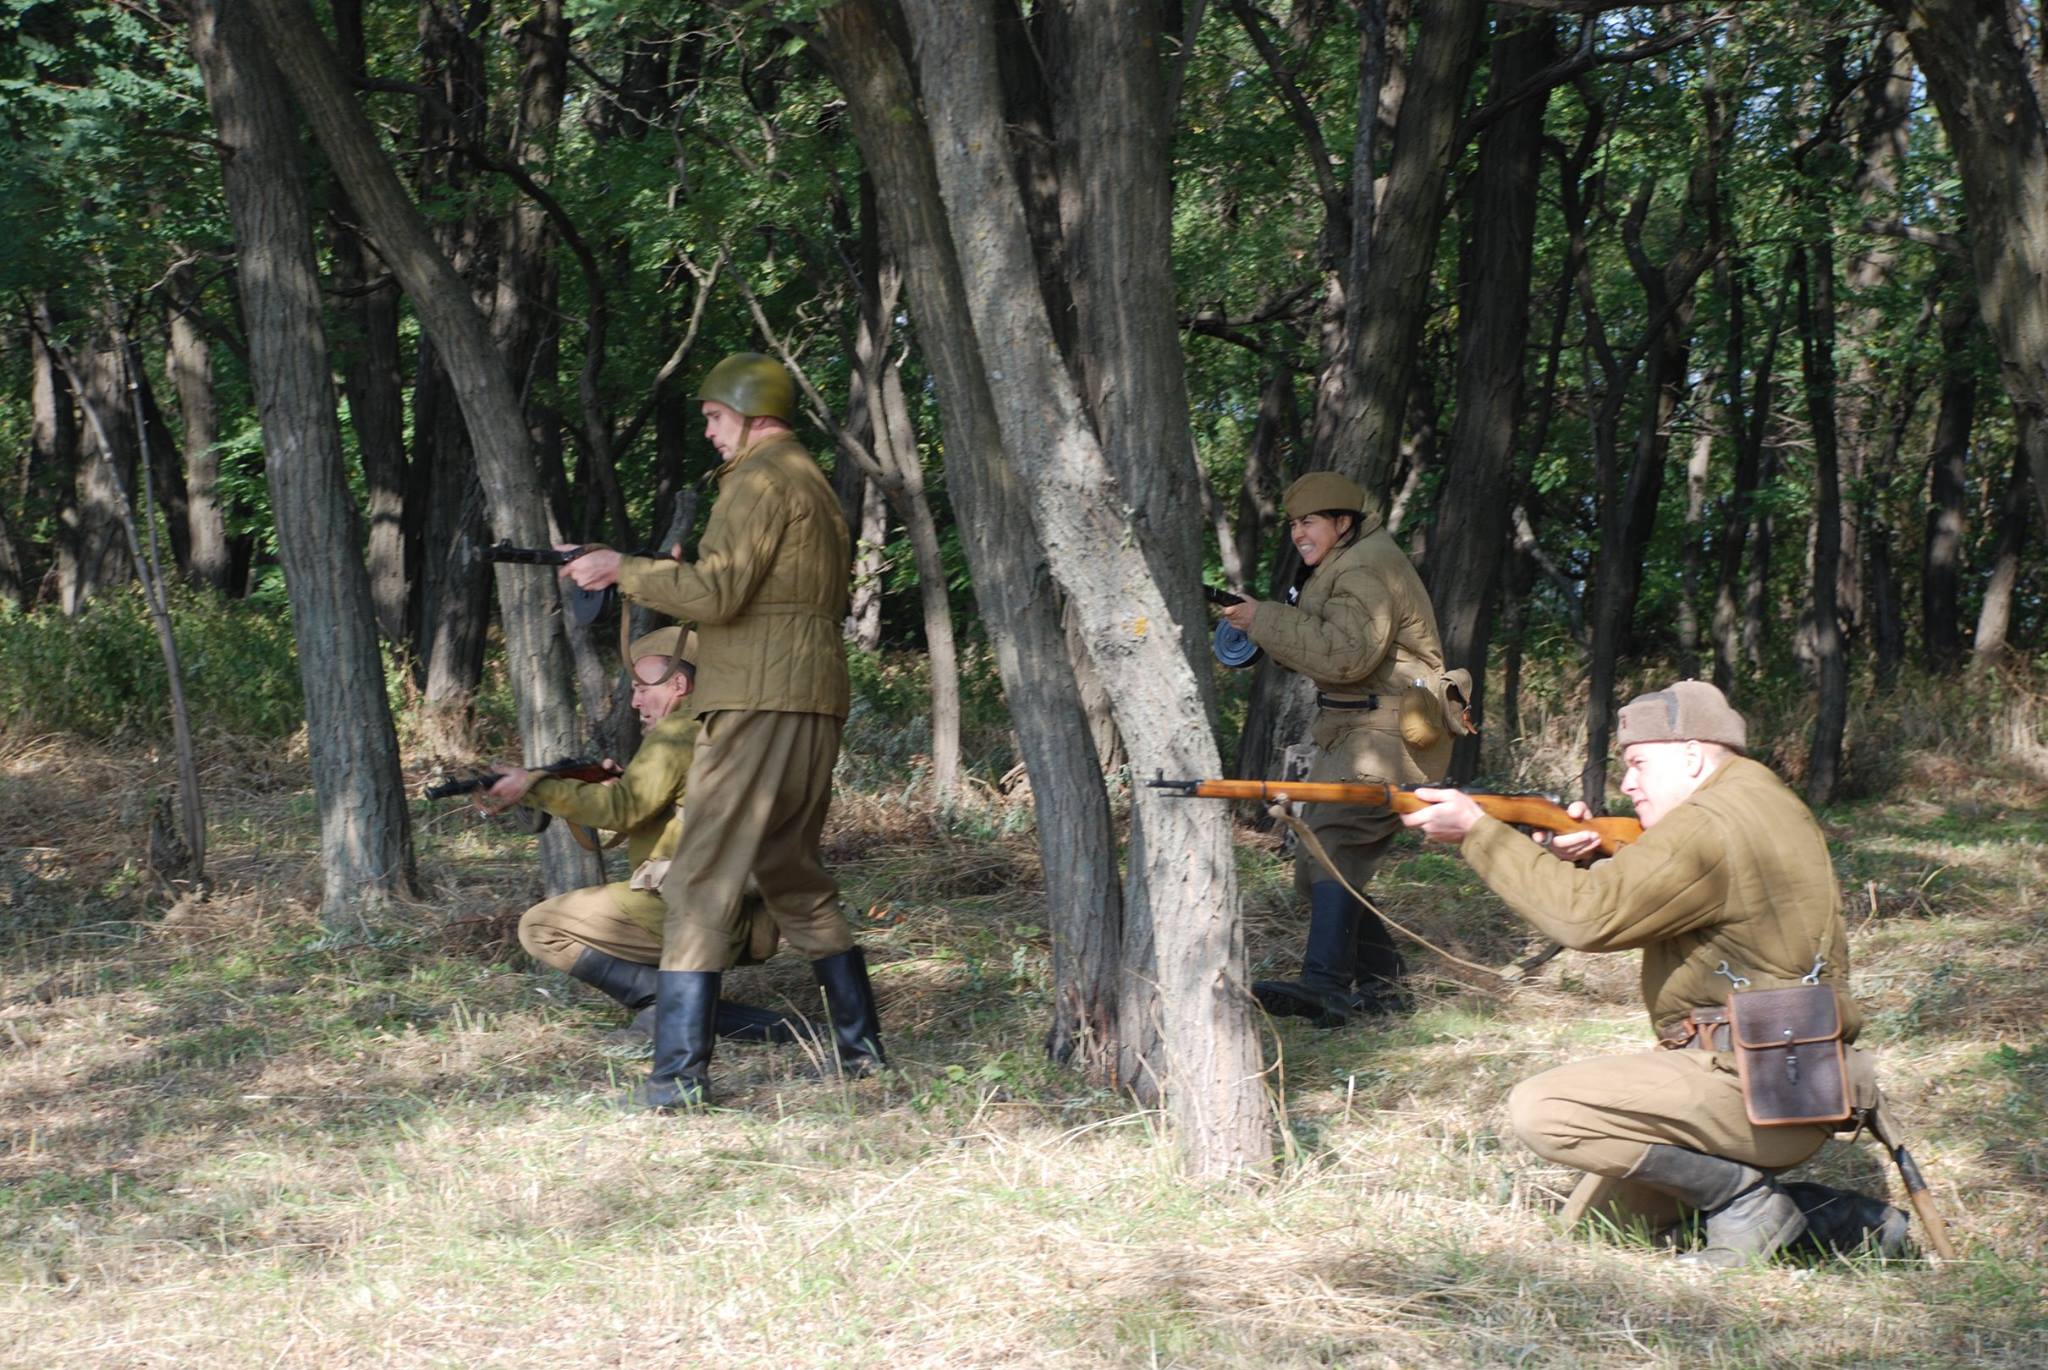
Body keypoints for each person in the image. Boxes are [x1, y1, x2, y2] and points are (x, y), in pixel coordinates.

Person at [1401, 680, 1905, 1268]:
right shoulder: (1761, 799)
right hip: (1792, 1077)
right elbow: (1692, 891)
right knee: (1612, 1228)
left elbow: (1586, 918)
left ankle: (1741, 1197)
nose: (1628, 782)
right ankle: (1837, 1222)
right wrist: (1593, 855)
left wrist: (1480, 834)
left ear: (1691, 755)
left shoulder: (1709, 822)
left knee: (1545, 1110)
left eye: (1639, 763)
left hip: (1751, 1084)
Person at [563, 351, 882, 1107]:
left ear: (752, 412)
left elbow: (719, 591)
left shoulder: (761, 476)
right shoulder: (813, 485)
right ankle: (861, 1053)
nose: (708, 431)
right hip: (812, 698)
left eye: (714, 416)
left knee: (700, 875)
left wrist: (625, 569)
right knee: (791, 873)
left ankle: (677, 1079)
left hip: (756, 699)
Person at [480, 626, 807, 1048]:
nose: (634, 701)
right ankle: (697, 1012)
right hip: (745, 917)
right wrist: (615, 789)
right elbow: (672, 812)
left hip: (686, 912)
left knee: (540, 927)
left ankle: (676, 1010)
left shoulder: (677, 733)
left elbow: (621, 812)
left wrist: (533, 786)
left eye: (641, 688)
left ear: (679, 685)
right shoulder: (732, 730)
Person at [1218, 471, 1460, 1025]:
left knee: (1333, 840)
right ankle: (1384, 989)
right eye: (1295, 524)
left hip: (1390, 732)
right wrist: (1264, 625)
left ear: (1342, 523)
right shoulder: (1340, 564)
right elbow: (1326, 647)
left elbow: (1346, 656)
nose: (1299, 533)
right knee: (1317, 863)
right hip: (1357, 728)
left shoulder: (1364, 567)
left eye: (1311, 522)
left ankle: (1325, 984)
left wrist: (1264, 618)